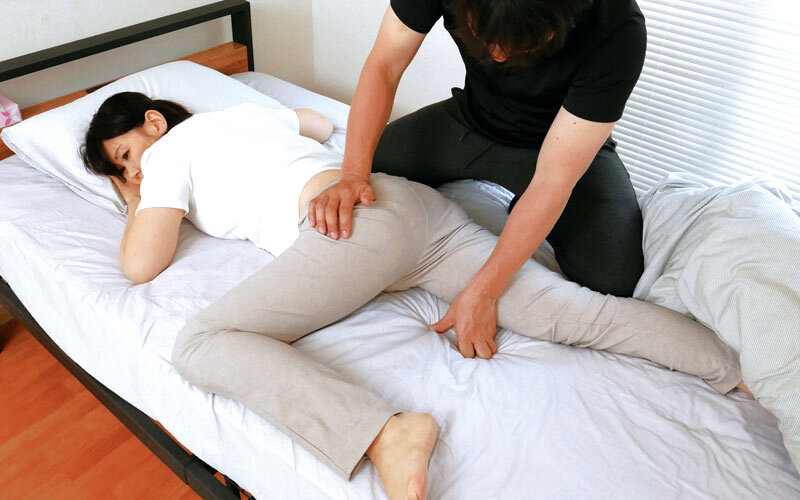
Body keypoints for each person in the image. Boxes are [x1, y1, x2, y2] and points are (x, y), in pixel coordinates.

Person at [82, 92, 744, 500]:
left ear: (153, 121)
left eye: (124, 154)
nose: (130, 171)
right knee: (569, 312)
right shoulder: (243, 113)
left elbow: (141, 263)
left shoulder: (167, 156)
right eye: (121, 169)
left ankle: (387, 433)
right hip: (408, 204)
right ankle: (734, 367)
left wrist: (134, 194)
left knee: (201, 343)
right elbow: (314, 122)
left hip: (348, 230)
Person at [308, 0, 650, 361]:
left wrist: (484, 289)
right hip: (471, 122)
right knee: (375, 169)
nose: (498, 56)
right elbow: (384, 65)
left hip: (562, 144)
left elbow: (553, 179)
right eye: (483, 36)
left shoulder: (616, 28)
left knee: (615, 276)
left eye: (517, 44)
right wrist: (352, 174)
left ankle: (525, 206)